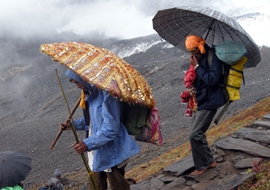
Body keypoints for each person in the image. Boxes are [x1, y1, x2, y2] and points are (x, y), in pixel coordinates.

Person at [60, 69, 140, 190]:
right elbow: (93, 120)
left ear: (85, 78)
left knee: (118, 186)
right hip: (97, 151)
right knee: (95, 185)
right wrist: (73, 125)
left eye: (77, 82)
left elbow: (111, 128)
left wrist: (87, 144)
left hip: (112, 150)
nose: (77, 86)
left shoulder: (108, 94)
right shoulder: (91, 94)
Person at [184, 35, 228, 175]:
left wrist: (197, 67)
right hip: (201, 99)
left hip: (211, 100)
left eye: (194, 50)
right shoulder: (200, 57)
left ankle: (203, 165)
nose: (192, 54)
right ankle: (210, 161)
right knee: (198, 133)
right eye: (190, 51)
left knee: (195, 134)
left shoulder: (213, 57)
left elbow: (212, 80)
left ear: (201, 46)